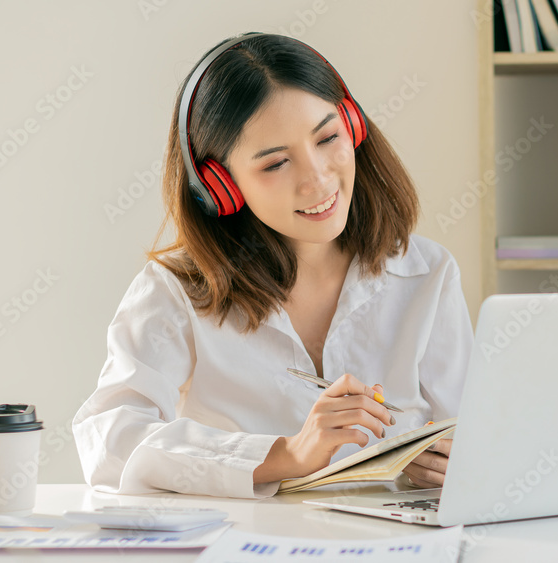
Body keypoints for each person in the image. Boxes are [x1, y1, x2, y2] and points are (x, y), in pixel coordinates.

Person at [71, 33, 473, 499]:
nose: (317, 179)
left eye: (328, 137)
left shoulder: (428, 273)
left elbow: (475, 434)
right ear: (221, 187)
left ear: (353, 126)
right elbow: (108, 441)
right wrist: (286, 455)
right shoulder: (178, 291)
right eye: (276, 163)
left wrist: (449, 461)